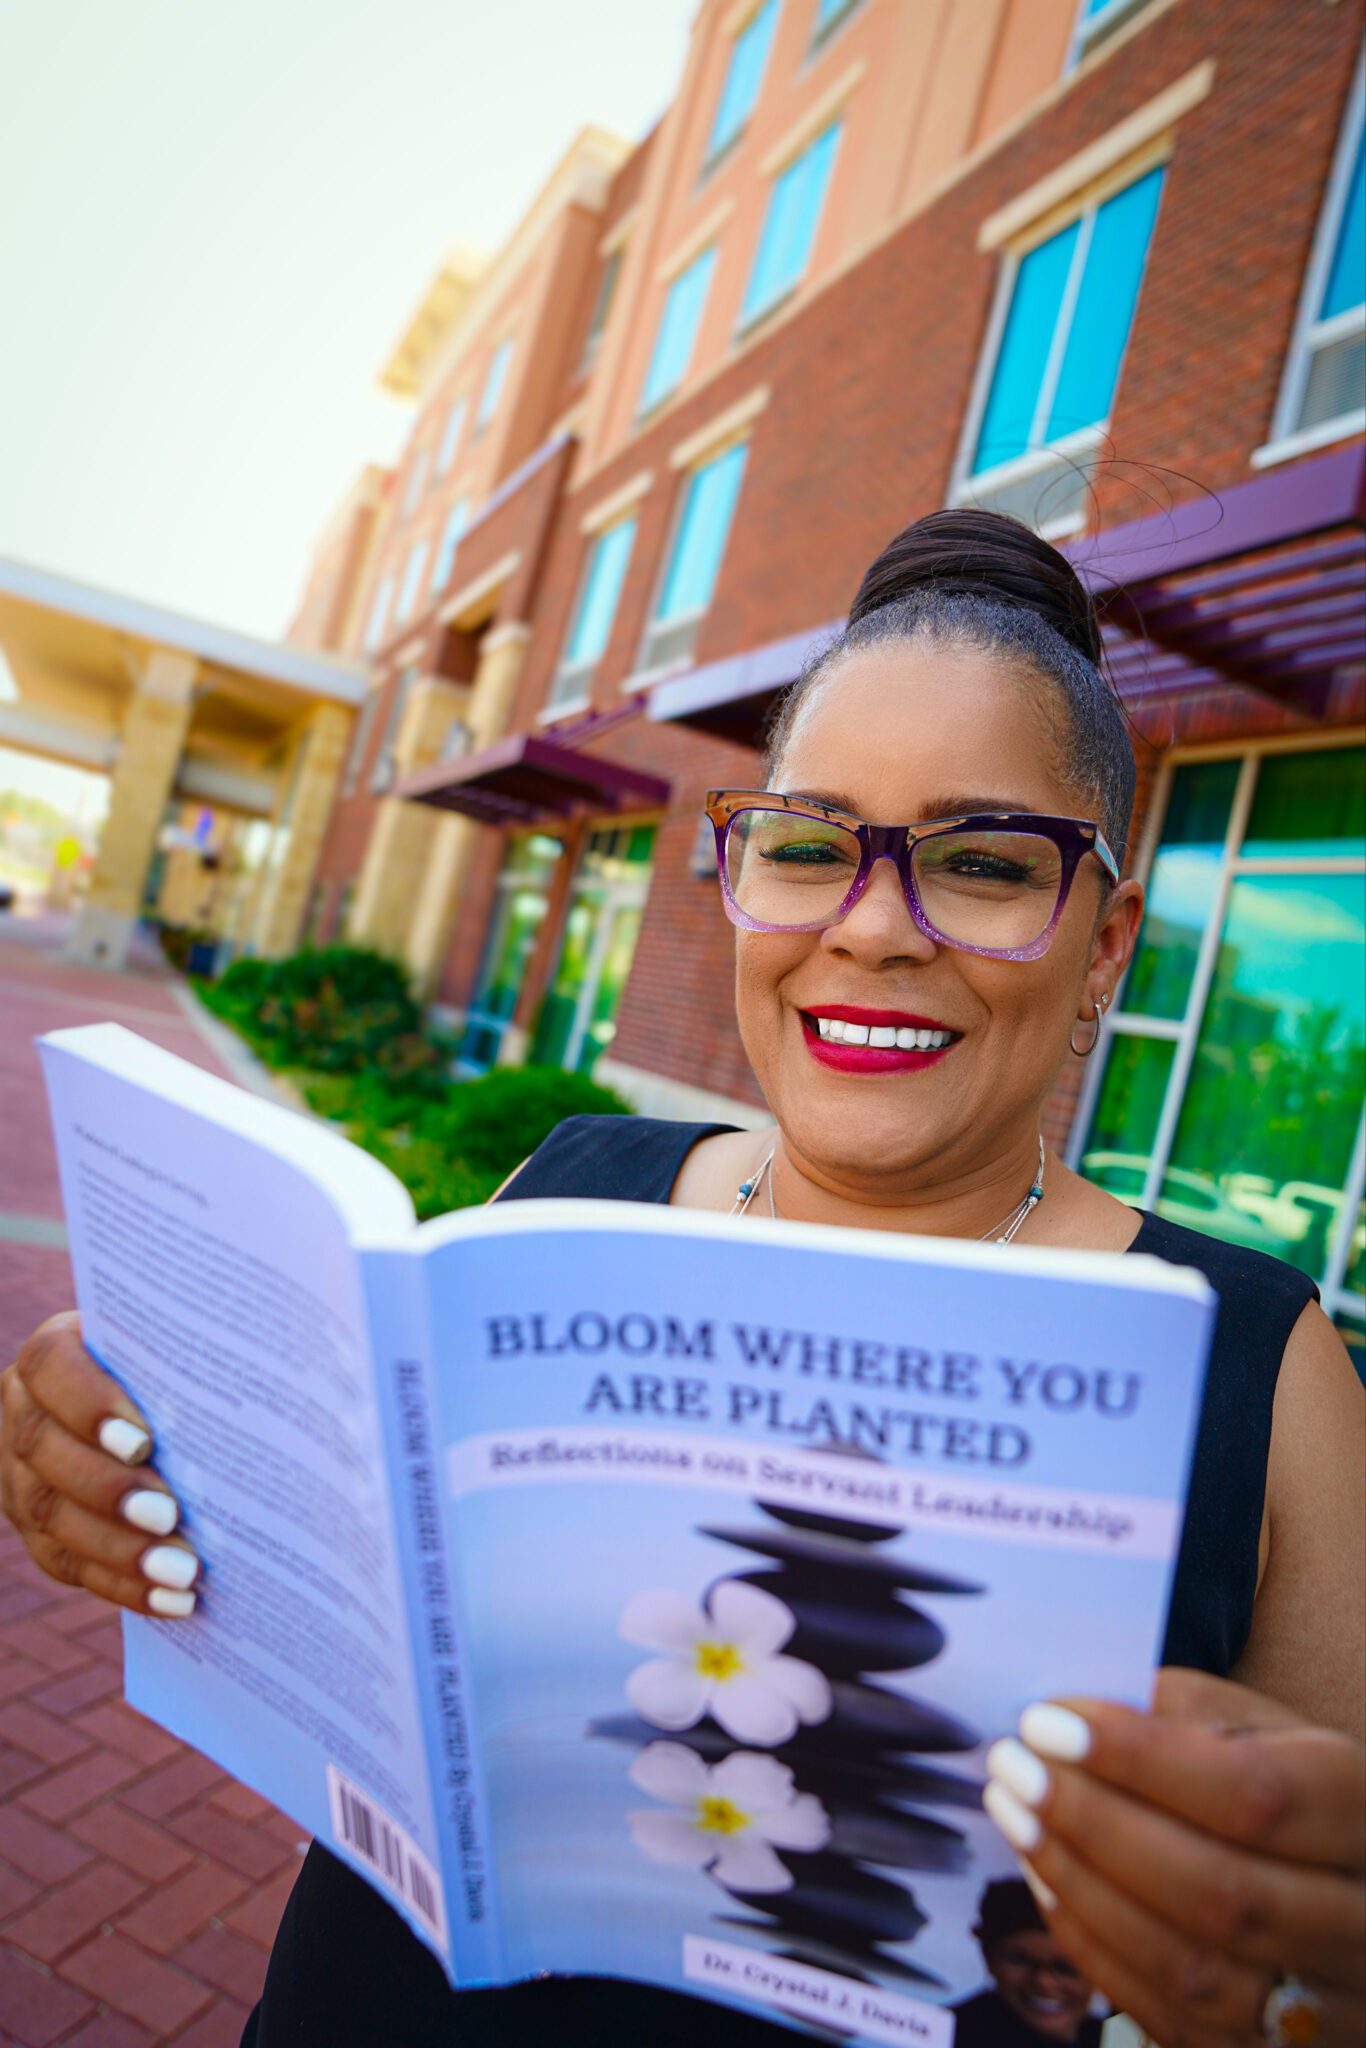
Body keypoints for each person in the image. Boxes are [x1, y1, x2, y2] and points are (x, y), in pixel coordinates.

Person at [2, 511, 1362, 2047]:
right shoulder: (566, 1191)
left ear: (1104, 941)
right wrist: (138, 1454)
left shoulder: (1259, 1368)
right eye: (806, 847)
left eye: (980, 864)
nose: (868, 930)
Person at [952, 1878, 1102, 2048]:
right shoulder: (945, 2033)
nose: (1043, 1981)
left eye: (1066, 1969)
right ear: (987, 1953)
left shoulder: (1117, 2039)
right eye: (1020, 1960)